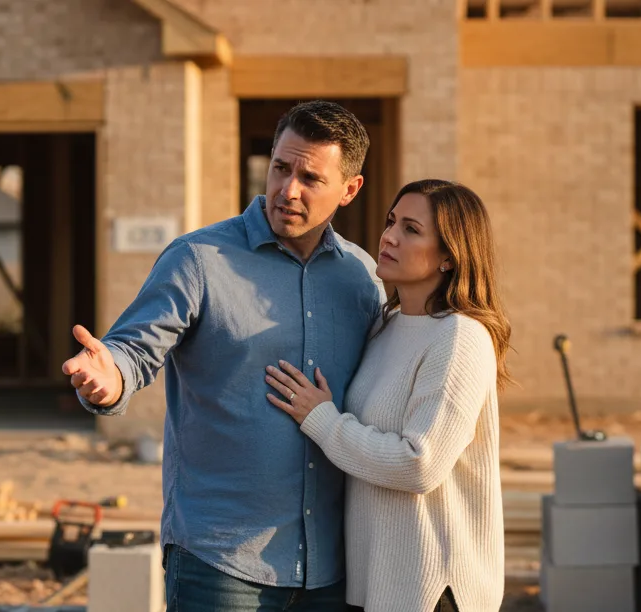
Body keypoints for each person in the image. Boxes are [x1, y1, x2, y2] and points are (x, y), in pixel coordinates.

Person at [61, 100, 384, 611]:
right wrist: (111, 377)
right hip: (221, 564)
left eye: (310, 178)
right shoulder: (199, 259)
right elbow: (134, 349)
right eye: (280, 167)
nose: (287, 190)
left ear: (350, 189)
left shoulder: (362, 280)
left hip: (331, 569)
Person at [265, 179, 512, 612]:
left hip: (432, 589)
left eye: (412, 230)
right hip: (376, 587)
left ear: (450, 256)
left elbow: (420, 464)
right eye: (391, 221)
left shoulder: (460, 337)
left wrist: (322, 420)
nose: (389, 237)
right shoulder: (386, 326)